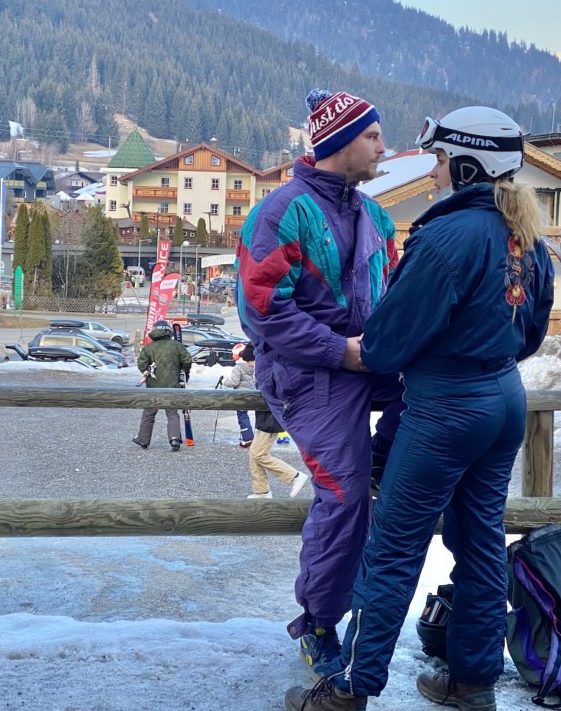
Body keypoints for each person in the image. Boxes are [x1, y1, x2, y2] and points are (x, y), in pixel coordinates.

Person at [285, 106, 555, 711]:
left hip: (443, 413)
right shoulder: (526, 236)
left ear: (464, 164)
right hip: (504, 400)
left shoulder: (446, 236)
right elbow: (532, 334)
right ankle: (470, 681)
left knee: (392, 552)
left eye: (438, 160)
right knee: (481, 541)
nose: (432, 172)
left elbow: (384, 344)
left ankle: (350, 689)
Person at [238, 88, 404, 675]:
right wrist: (341, 352)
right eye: (373, 137)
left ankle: (382, 462)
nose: (384, 147)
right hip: (308, 375)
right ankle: (317, 620)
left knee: (443, 398)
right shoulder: (282, 212)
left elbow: (402, 293)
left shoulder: (375, 215)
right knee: (343, 495)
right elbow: (262, 309)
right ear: (339, 144)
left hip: (368, 362)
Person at [240, 344, 310, 499]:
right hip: (265, 416)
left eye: (249, 361)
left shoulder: (268, 367)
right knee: (254, 454)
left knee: (259, 454)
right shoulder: (266, 364)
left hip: (271, 417)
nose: (248, 365)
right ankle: (261, 491)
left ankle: (295, 476)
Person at [132, 319, 192, 452]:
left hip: (153, 386)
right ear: (168, 331)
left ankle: (143, 439)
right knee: (172, 413)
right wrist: (183, 369)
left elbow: (141, 364)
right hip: (173, 385)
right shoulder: (176, 345)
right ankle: (174, 439)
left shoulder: (148, 348)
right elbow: (187, 360)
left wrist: (147, 371)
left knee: (149, 413)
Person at [221, 342, 255, 448]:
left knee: (242, 416)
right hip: (250, 393)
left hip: (240, 395)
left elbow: (234, 382)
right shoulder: (251, 366)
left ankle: (248, 438)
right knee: (245, 415)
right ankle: (249, 436)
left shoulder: (238, 367)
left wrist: (224, 381)